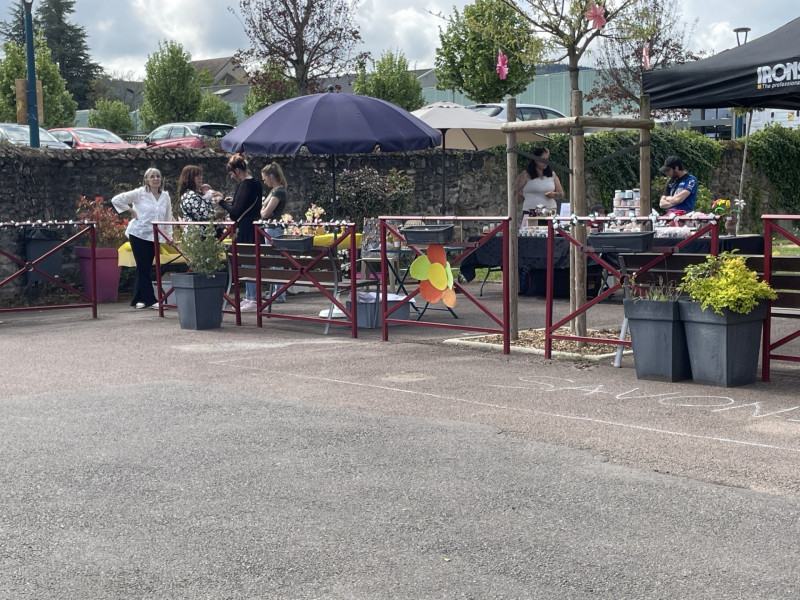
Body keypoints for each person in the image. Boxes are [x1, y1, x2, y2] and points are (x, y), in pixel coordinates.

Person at [112, 167, 174, 309]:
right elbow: (117, 199)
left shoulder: (165, 196)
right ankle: (151, 300)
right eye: (152, 177)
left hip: (155, 235)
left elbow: (167, 217)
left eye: (158, 176)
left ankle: (137, 299)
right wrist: (130, 210)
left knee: (145, 268)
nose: (155, 179)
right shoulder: (140, 193)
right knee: (143, 266)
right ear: (147, 180)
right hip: (138, 233)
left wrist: (168, 236)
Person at [217, 153, 262, 311]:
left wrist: (221, 201)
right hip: (254, 226)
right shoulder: (256, 183)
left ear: (237, 171)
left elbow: (235, 212)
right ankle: (251, 296)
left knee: (248, 262)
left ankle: (253, 298)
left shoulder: (245, 185)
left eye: (231, 173)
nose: (231, 176)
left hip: (245, 228)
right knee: (250, 262)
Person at [261, 162, 289, 303]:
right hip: (270, 228)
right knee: (273, 261)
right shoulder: (275, 191)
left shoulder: (278, 192)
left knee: (275, 260)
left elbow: (265, 213)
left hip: (273, 229)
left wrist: (262, 211)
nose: (264, 181)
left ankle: (279, 293)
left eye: (265, 177)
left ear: (271, 176)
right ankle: (275, 292)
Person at [515, 147, 565, 216]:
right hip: (531, 212)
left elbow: (561, 193)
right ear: (535, 160)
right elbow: (513, 190)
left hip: (550, 212)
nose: (545, 162)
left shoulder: (552, 174)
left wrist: (554, 194)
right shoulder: (526, 175)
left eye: (547, 159)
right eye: (542, 159)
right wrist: (522, 198)